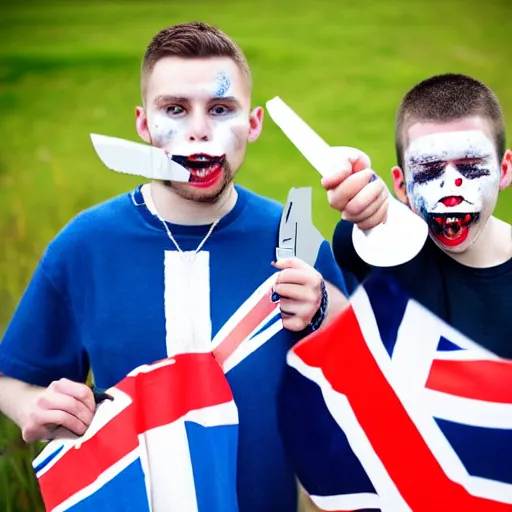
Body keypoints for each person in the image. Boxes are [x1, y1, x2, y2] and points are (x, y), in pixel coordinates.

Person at [0, 22, 350, 512]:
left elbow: (358, 367)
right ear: (144, 124)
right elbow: (13, 378)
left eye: (221, 109)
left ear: (253, 123)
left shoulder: (292, 236)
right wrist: (34, 407)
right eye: (175, 109)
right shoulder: (85, 244)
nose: (199, 129)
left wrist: (324, 308)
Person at [322, 73, 512, 357]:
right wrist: (366, 201)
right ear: (401, 185)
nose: (450, 190)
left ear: (504, 170)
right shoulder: (373, 250)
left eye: (471, 165)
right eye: (428, 169)